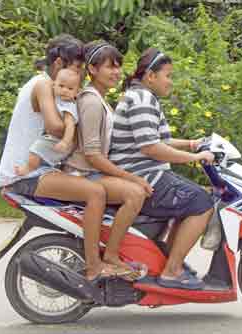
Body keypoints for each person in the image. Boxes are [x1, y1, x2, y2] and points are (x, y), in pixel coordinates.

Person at [0, 34, 130, 281]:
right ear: (59, 63)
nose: (78, 75)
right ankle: (94, 266)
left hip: (40, 168)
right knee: (95, 193)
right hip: (24, 174)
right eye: (76, 68)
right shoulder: (43, 84)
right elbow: (55, 126)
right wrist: (77, 120)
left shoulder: (55, 87)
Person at [111, 48, 215, 290]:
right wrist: (194, 156)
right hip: (143, 177)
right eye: (167, 75)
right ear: (150, 76)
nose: (171, 82)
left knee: (193, 196)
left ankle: (170, 259)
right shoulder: (142, 99)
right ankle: (172, 270)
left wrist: (191, 143)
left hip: (148, 173)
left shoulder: (141, 97)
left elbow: (159, 140)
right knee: (203, 202)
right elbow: (150, 147)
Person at [64, 40, 153, 274]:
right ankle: (110, 256)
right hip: (82, 173)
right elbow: (92, 154)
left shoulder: (100, 99)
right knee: (135, 193)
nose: (116, 72)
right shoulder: (91, 101)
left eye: (118, 67)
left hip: (94, 172)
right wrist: (131, 177)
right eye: (110, 67)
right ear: (92, 69)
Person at [14, 68, 81, 176]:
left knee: (36, 149)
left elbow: (70, 126)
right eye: (61, 86)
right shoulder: (58, 99)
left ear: (76, 92)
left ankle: (29, 168)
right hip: (56, 139)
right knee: (41, 152)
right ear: (54, 85)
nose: (64, 90)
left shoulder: (69, 106)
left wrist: (65, 141)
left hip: (60, 140)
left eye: (70, 88)